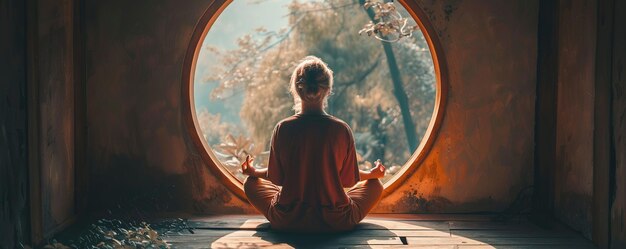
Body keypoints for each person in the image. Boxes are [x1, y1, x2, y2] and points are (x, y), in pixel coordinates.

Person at [241, 56, 386, 232]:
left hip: (288, 219)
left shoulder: (283, 128)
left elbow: (278, 177)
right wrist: (371, 174)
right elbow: (347, 180)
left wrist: (254, 172)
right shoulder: (341, 129)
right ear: (328, 90)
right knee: (375, 185)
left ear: (296, 89)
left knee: (250, 183)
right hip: (337, 220)